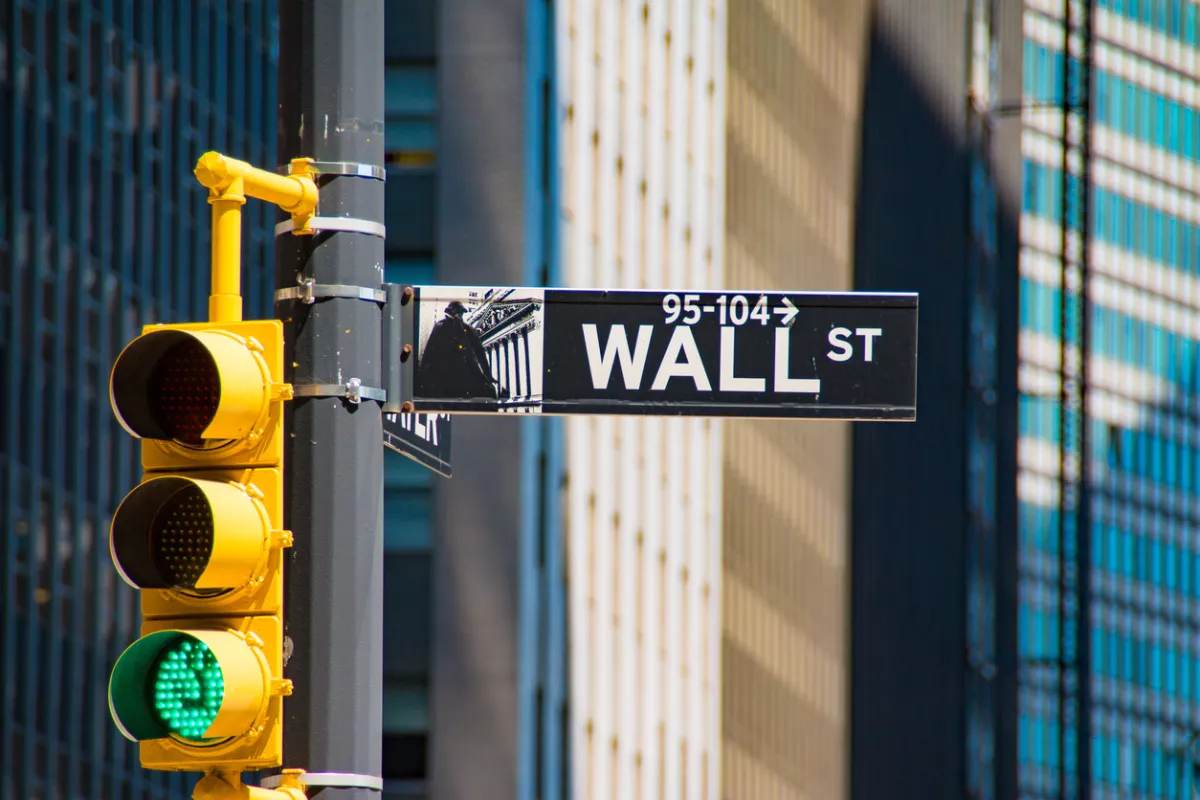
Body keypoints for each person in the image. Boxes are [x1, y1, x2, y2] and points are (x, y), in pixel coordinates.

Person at [414, 301, 500, 401]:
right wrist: (424, 374)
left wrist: (487, 374)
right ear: (450, 312)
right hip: (444, 374)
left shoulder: (468, 329)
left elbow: (480, 352)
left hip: (464, 374)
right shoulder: (440, 326)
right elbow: (430, 351)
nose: (459, 315)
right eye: (457, 312)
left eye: (461, 313)